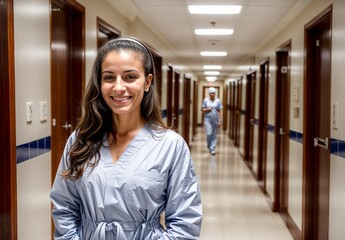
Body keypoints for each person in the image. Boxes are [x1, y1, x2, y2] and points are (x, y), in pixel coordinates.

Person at [50, 37, 202, 240]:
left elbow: (185, 223)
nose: (118, 87)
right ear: (100, 82)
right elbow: (64, 208)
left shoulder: (170, 146)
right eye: (109, 77)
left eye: (130, 77)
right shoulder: (81, 140)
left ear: (147, 82)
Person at [201, 87, 223, 155]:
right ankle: (209, 145)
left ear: (215, 93)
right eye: (211, 93)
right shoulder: (205, 100)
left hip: (216, 119)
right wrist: (207, 109)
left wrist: (219, 120)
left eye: (213, 93)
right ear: (209, 94)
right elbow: (202, 109)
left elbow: (219, 110)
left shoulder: (218, 101)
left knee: (214, 134)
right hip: (207, 119)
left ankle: (212, 148)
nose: (212, 94)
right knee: (209, 133)